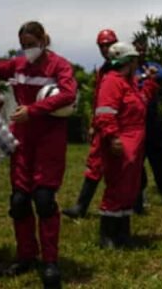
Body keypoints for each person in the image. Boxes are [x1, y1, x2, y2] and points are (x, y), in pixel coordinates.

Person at [0, 22, 76, 289]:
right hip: (22, 139)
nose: (28, 50)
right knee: (19, 200)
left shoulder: (59, 66)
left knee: (44, 198)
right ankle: (26, 255)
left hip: (49, 138)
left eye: (32, 44)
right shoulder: (16, 66)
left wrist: (34, 110)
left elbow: (69, 93)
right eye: (24, 45)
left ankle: (50, 261)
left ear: (43, 40)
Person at [94, 42, 160, 248]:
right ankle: (108, 234)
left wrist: (149, 82)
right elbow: (105, 112)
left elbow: (141, 101)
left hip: (134, 143)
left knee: (129, 188)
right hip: (121, 142)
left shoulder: (128, 83)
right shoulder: (112, 82)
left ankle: (122, 234)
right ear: (129, 62)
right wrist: (113, 137)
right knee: (117, 186)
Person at [63, 29, 118, 219]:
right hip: (103, 123)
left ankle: (134, 203)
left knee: (126, 165)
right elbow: (99, 99)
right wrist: (95, 122)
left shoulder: (124, 67)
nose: (105, 49)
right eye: (102, 46)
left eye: (108, 44)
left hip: (119, 125)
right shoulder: (104, 69)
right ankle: (81, 206)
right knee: (95, 164)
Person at [133, 36, 162, 209]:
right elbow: (134, 82)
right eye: (138, 48)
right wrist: (147, 75)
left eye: (143, 48)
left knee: (160, 158)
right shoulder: (131, 68)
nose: (141, 51)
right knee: (138, 160)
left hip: (153, 119)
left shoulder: (152, 63)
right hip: (136, 120)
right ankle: (141, 195)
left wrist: (148, 75)